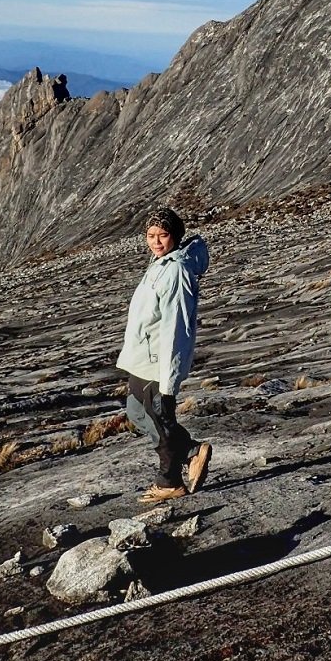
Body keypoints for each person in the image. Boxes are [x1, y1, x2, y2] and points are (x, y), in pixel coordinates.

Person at [116, 206, 212, 504]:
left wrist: (168, 382)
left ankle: (169, 481)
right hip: (142, 359)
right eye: (151, 235)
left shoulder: (176, 271)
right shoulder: (159, 262)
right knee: (136, 412)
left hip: (158, 362)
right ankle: (192, 452)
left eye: (163, 235)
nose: (156, 241)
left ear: (176, 235)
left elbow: (176, 328)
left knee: (160, 418)